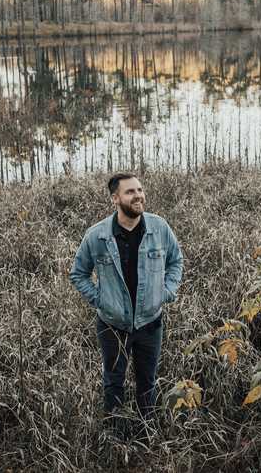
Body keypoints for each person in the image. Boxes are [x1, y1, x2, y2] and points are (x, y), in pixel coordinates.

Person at [69, 173, 183, 426]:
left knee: (147, 382)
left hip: (150, 323)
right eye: (130, 192)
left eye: (140, 190)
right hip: (112, 325)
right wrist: (100, 299)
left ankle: (147, 432)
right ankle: (115, 435)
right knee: (113, 382)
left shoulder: (159, 228)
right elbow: (78, 273)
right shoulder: (97, 236)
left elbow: (176, 261)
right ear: (115, 198)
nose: (138, 195)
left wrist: (166, 292)